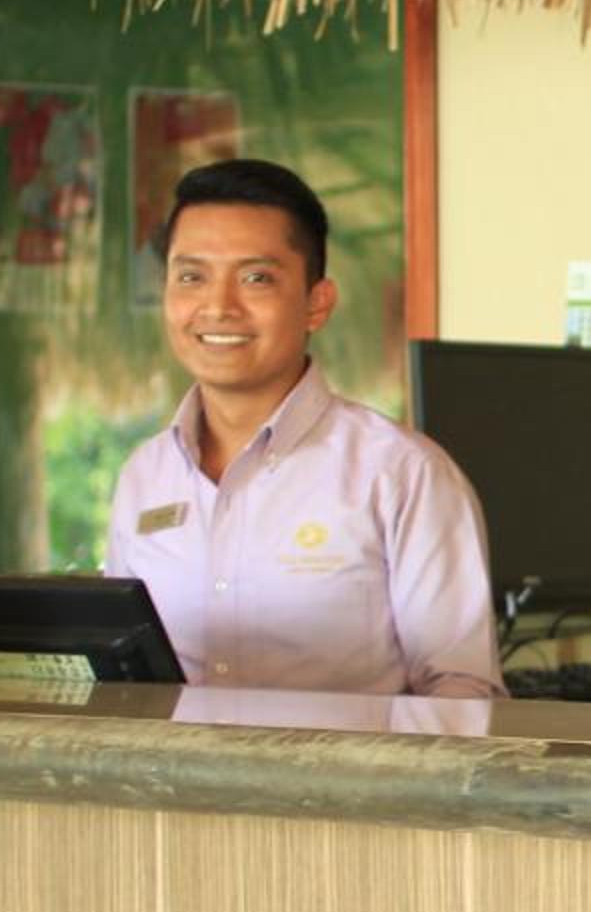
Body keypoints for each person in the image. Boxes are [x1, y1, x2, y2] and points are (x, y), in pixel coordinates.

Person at [106, 159, 503, 698]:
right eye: (191, 277)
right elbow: (121, 676)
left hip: (350, 760)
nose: (218, 307)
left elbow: (461, 690)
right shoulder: (143, 477)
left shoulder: (402, 475)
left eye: (256, 278)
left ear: (317, 304)